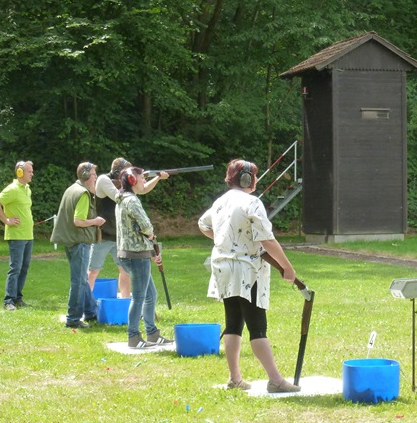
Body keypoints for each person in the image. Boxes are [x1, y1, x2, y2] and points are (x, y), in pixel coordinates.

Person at [198, 159, 300, 393]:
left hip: (223, 268)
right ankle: (275, 380)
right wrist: (287, 267)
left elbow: (203, 224)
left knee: (233, 323)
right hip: (247, 271)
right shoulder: (252, 202)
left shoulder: (220, 202)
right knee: (257, 326)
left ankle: (235, 379)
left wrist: (224, 240)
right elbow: (266, 239)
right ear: (247, 179)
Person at [89, 158, 170, 298]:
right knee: (93, 271)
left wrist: (157, 178)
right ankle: (84, 304)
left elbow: (143, 189)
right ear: (116, 171)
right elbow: (119, 197)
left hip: (120, 237)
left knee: (125, 272)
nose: (129, 174)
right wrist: (134, 182)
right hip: (103, 235)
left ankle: (126, 302)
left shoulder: (123, 185)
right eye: (125, 171)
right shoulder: (103, 180)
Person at [115, 166, 173, 349]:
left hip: (130, 252)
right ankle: (133, 336)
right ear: (132, 181)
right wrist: (150, 234)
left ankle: (152, 333)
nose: (143, 181)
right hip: (136, 254)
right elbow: (146, 226)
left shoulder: (122, 199)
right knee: (139, 297)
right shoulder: (132, 200)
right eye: (141, 178)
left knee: (150, 295)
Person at [50, 162, 106, 329]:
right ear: (86, 175)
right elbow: (78, 221)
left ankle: (91, 312)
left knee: (82, 278)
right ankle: (73, 318)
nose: (96, 177)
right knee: (79, 281)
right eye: (94, 174)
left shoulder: (71, 189)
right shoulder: (83, 194)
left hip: (71, 240)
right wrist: (96, 221)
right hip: (79, 241)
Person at [0, 160, 35, 311]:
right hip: (16, 235)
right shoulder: (12, 189)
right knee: (15, 268)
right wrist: (6, 220)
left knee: (24, 268)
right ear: (20, 172)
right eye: (29, 171)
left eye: (32, 171)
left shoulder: (27, 189)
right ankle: (9, 301)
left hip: (28, 235)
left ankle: (18, 298)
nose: (32, 174)